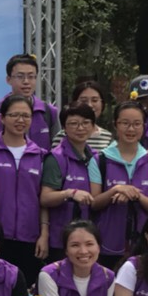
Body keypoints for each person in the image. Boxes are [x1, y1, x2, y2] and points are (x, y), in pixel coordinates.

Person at [89, 101, 148, 267]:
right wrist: (116, 190)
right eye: (125, 123)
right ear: (115, 125)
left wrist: (135, 195)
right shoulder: (100, 160)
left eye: (137, 124)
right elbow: (94, 203)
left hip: (145, 245)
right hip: (106, 245)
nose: (131, 129)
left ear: (144, 126)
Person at [0, 94, 49, 284]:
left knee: (25, 290)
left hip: (29, 237)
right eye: (14, 115)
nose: (20, 120)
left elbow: (43, 199)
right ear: (2, 118)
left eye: (26, 116)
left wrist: (44, 233)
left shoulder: (41, 155)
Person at [41, 105, 98, 261]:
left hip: (88, 237)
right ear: (64, 128)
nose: (80, 128)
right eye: (73, 123)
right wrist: (70, 193)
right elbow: (45, 198)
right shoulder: (56, 158)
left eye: (86, 123)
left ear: (93, 126)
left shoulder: (97, 157)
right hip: (60, 239)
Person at [0, 54, 58, 148]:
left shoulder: (49, 112)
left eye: (31, 76)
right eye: (20, 76)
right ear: (8, 80)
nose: (26, 81)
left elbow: (57, 150)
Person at [69, 80, 114, 151]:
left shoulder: (108, 138)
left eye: (94, 100)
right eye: (84, 101)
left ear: (102, 103)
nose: (89, 105)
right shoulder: (63, 136)